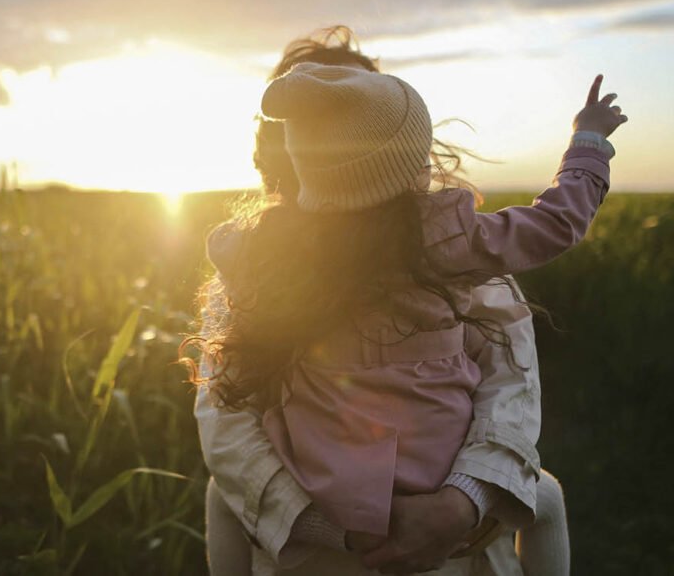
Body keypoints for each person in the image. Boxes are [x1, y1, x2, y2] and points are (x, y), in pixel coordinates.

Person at [192, 28, 621, 574]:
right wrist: (589, 144)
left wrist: (459, 503)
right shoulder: (452, 244)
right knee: (549, 496)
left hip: (367, 509)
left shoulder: (261, 256)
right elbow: (556, 223)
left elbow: (510, 384)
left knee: (218, 496)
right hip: (384, 507)